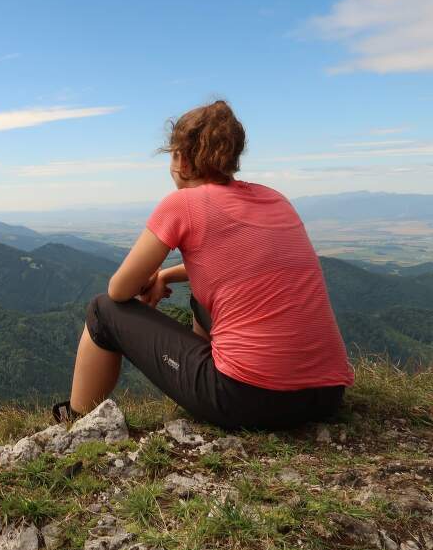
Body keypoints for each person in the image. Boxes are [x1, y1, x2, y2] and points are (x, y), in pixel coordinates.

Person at [56, 100, 354, 430]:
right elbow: (242, 265)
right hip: (327, 395)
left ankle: (75, 423)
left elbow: (119, 289)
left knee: (102, 311)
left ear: (181, 158)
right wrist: (167, 274)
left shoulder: (182, 204)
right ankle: (210, 365)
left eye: (171, 155)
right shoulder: (275, 199)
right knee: (201, 297)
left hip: (244, 399)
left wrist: (149, 280)